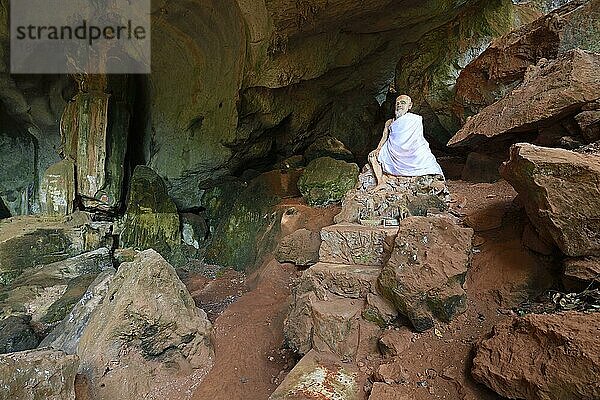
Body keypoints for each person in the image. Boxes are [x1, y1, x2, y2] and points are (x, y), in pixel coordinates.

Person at [368, 95, 443, 189]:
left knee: (425, 158)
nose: (399, 105)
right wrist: (378, 149)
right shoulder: (389, 122)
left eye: (403, 103)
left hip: (411, 151)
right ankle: (380, 182)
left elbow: (418, 139)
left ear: (410, 105)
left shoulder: (415, 119)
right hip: (392, 151)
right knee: (372, 156)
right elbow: (384, 137)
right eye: (397, 103)